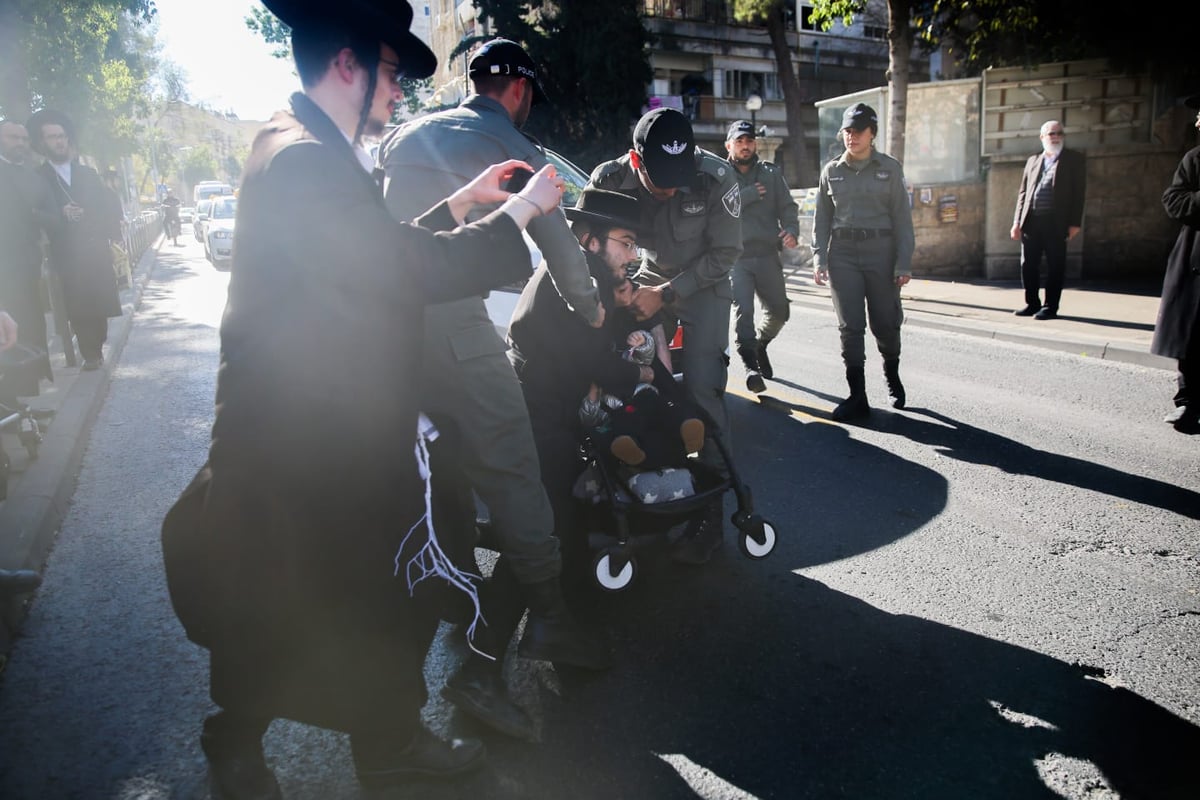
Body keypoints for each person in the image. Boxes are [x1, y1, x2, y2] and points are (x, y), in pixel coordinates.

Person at [158, 0, 571, 794]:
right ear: (346, 62)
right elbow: (399, 272)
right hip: (296, 444)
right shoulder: (307, 157)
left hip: (323, 437)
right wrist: (519, 212)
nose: (397, 93)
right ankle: (244, 743)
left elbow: (369, 253)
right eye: (389, 72)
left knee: (368, 596)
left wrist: (462, 202)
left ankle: (380, 738)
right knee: (282, 602)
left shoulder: (302, 141)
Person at [378, 39, 609, 674]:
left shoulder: (403, 135)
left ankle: (452, 593)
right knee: (514, 468)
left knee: (439, 470)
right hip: (453, 323)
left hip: (385, 328)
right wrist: (591, 310)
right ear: (520, 91)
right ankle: (552, 622)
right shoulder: (515, 148)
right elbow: (559, 244)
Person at [589, 107, 743, 565]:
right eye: (661, 181)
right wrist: (621, 293)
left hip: (702, 286)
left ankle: (709, 520)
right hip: (637, 282)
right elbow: (591, 245)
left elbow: (727, 253)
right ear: (637, 162)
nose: (673, 189)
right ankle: (633, 498)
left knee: (700, 390)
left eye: (679, 178)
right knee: (627, 386)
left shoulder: (717, 178)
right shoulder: (612, 178)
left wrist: (668, 293)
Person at [811, 102, 915, 422]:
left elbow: (902, 219)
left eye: (857, 131)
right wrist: (819, 258)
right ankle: (858, 396)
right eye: (846, 131)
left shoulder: (890, 168)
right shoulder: (832, 171)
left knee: (885, 322)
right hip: (843, 254)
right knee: (850, 326)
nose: (850, 137)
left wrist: (903, 263)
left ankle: (892, 372)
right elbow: (821, 220)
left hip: (881, 253)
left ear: (872, 134)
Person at [26, 108, 123, 371]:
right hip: (66, 252)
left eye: (62, 136)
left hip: (94, 249)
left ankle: (98, 342)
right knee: (78, 304)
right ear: (42, 142)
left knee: (100, 304)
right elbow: (33, 212)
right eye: (52, 137)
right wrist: (60, 213)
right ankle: (90, 353)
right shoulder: (38, 177)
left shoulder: (87, 174)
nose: (59, 141)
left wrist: (92, 217)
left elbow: (106, 207)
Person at [724, 119, 799, 392]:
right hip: (738, 258)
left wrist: (791, 229)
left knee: (780, 311)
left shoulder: (770, 173)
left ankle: (761, 345)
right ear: (729, 145)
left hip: (768, 255)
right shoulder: (720, 175)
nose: (745, 146)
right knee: (744, 313)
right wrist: (748, 195)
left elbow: (788, 207)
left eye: (749, 141)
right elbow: (717, 210)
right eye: (740, 141)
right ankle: (750, 367)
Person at [1152, 93, 1200, 435]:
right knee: (1191, 337)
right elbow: (1174, 200)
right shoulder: (1195, 158)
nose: (1197, 122)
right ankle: (1189, 404)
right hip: (1195, 259)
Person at [1010, 119, 1087, 320]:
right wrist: (1016, 222)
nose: (1055, 137)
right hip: (1032, 221)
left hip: (1056, 221)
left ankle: (1050, 307)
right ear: (1042, 137)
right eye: (1051, 134)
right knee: (1028, 264)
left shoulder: (1074, 160)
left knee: (1055, 265)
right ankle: (1031, 303)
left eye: (1058, 133)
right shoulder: (1033, 161)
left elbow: (1079, 194)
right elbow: (1023, 193)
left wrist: (1074, 223)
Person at [0, 119, 56, 388]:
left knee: (31, 328)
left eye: (24, 139)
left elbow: (52, 215)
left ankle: (28, 398)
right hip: (3, 268)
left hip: (28, 266)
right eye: (13, 138)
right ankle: (11, 401)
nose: (20, 143)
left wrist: (35, 215)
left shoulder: (33, 176)